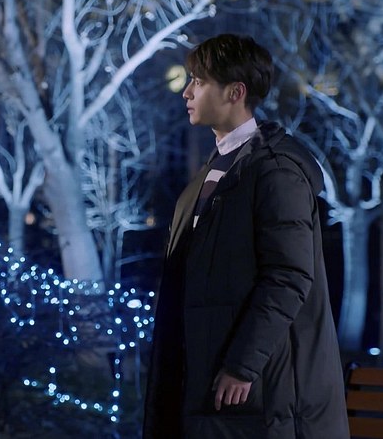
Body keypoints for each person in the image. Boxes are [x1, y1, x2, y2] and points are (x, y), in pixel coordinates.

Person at [143, 34, 349, 438]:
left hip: (259, 394)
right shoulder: (216, 170)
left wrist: (242, 365)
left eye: (199, 82)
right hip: (208, 382)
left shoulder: (275, 171)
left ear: (235, 92)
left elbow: (288, 276)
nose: (187, 92)